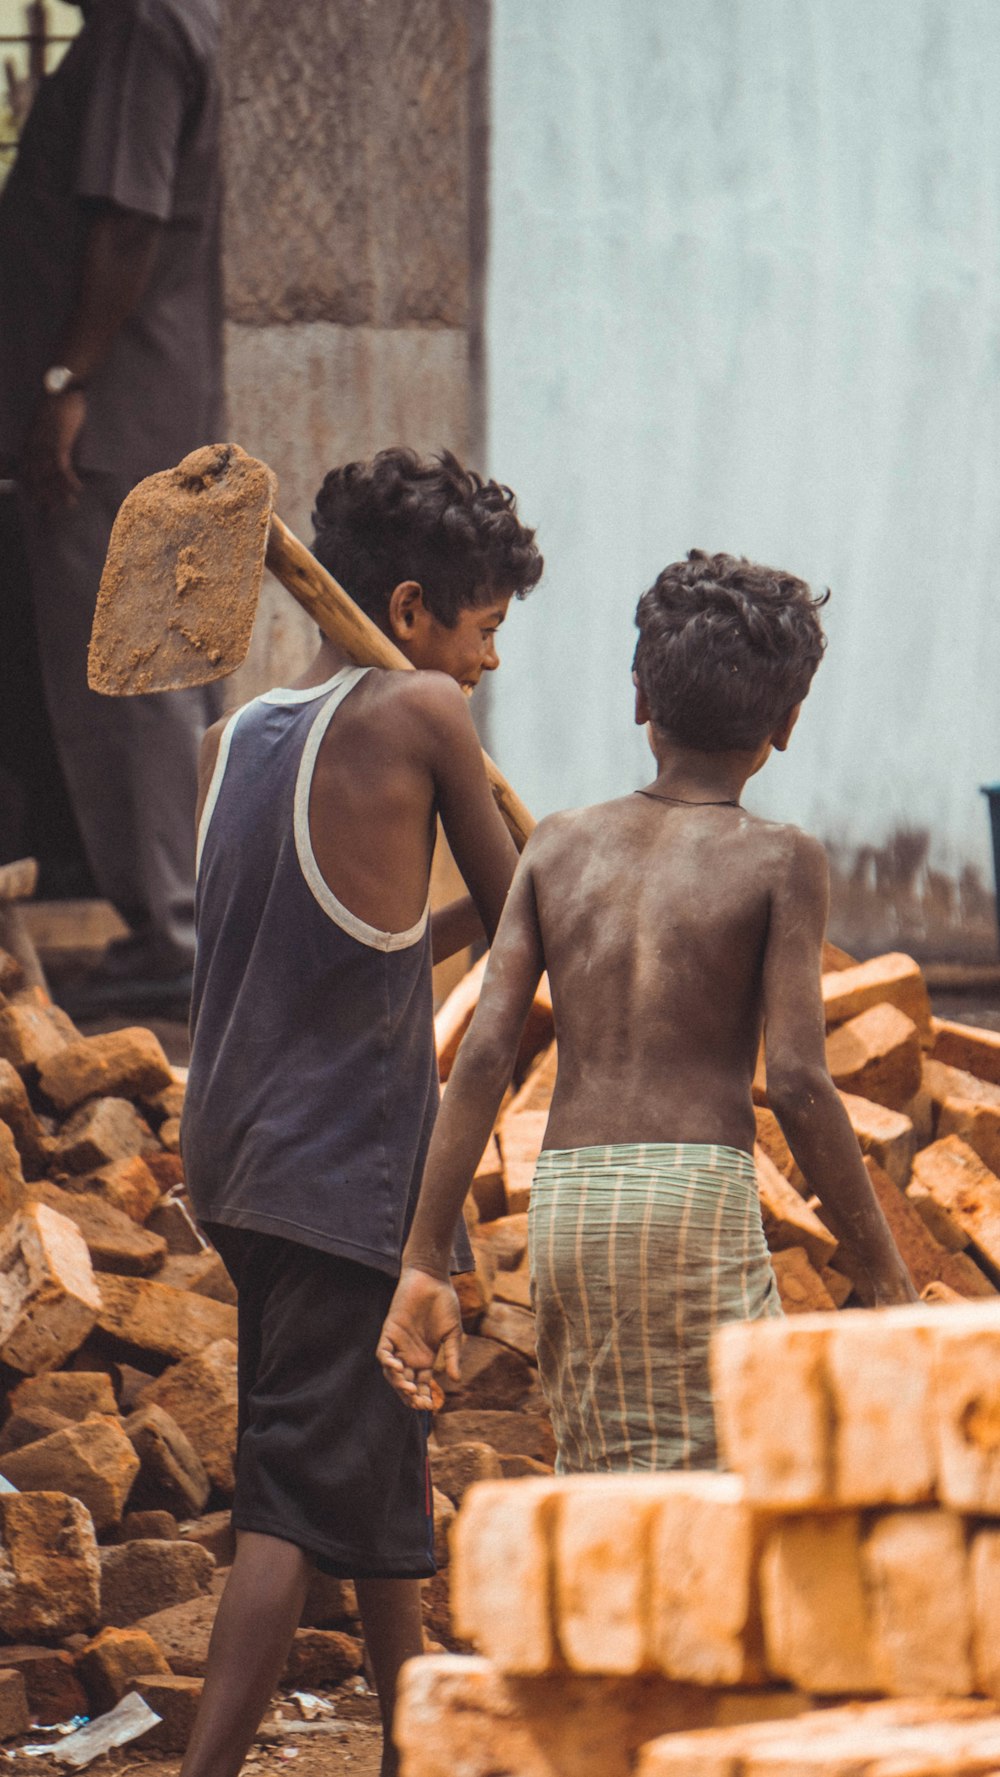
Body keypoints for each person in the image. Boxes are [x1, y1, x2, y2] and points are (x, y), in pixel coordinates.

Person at [377, 548, 917, 1473]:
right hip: (696, 1195)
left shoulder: (557, 846)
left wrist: (425, 1255)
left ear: (640, 700)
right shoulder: (782, 858)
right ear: (785, 724)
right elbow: (793, 1077)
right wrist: (883, 1266)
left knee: (607, 1467)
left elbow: (479, 1057)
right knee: (729, 1479)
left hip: (572, 1202)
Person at [178, 448, 542, 1777]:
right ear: (408, 610)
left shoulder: (232, 744)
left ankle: (421, 1751)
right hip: (347, 1173)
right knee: (289, 1492)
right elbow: (519, 924)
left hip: (235, 1161)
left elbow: (362, 943)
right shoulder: (424, 716)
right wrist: (553, 867)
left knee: (377, 1461)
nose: (489, 664)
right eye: (486, 628)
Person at [0, 0, 224, 1008]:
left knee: (136, 672)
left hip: (118, 416)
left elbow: (129, 218)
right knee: (160, 665)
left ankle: (171, 941)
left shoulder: (141, 22)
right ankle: (174, 930)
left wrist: (65, 382)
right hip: (152, 410)